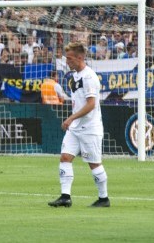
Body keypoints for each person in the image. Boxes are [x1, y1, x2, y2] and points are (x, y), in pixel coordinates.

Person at [48, 42, 109, 208]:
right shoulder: (76, 75)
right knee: (65, 157)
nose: (67, 61)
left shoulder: (89, 77)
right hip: (76, 128)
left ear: (80, 58)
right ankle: (65, 196)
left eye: (69, 58)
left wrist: (70, 118)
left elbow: (91, 104)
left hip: (90, 128)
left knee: (94, 164)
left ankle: (104, 198)